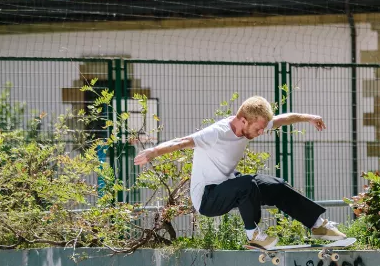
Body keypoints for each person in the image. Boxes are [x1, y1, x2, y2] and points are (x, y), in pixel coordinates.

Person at [134, 95, 344, 249]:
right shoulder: (216, 133)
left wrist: (309, 117)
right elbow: (182, 142)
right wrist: (153, 151)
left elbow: (283, 118)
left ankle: (317, 226)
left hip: (228, 187)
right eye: (258, 128)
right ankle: (253, 235)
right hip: (207, 198)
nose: (261, 132)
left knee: (276, 186)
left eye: (263, 128)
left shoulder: (255, 122)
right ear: (243, 120)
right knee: (246, 184)